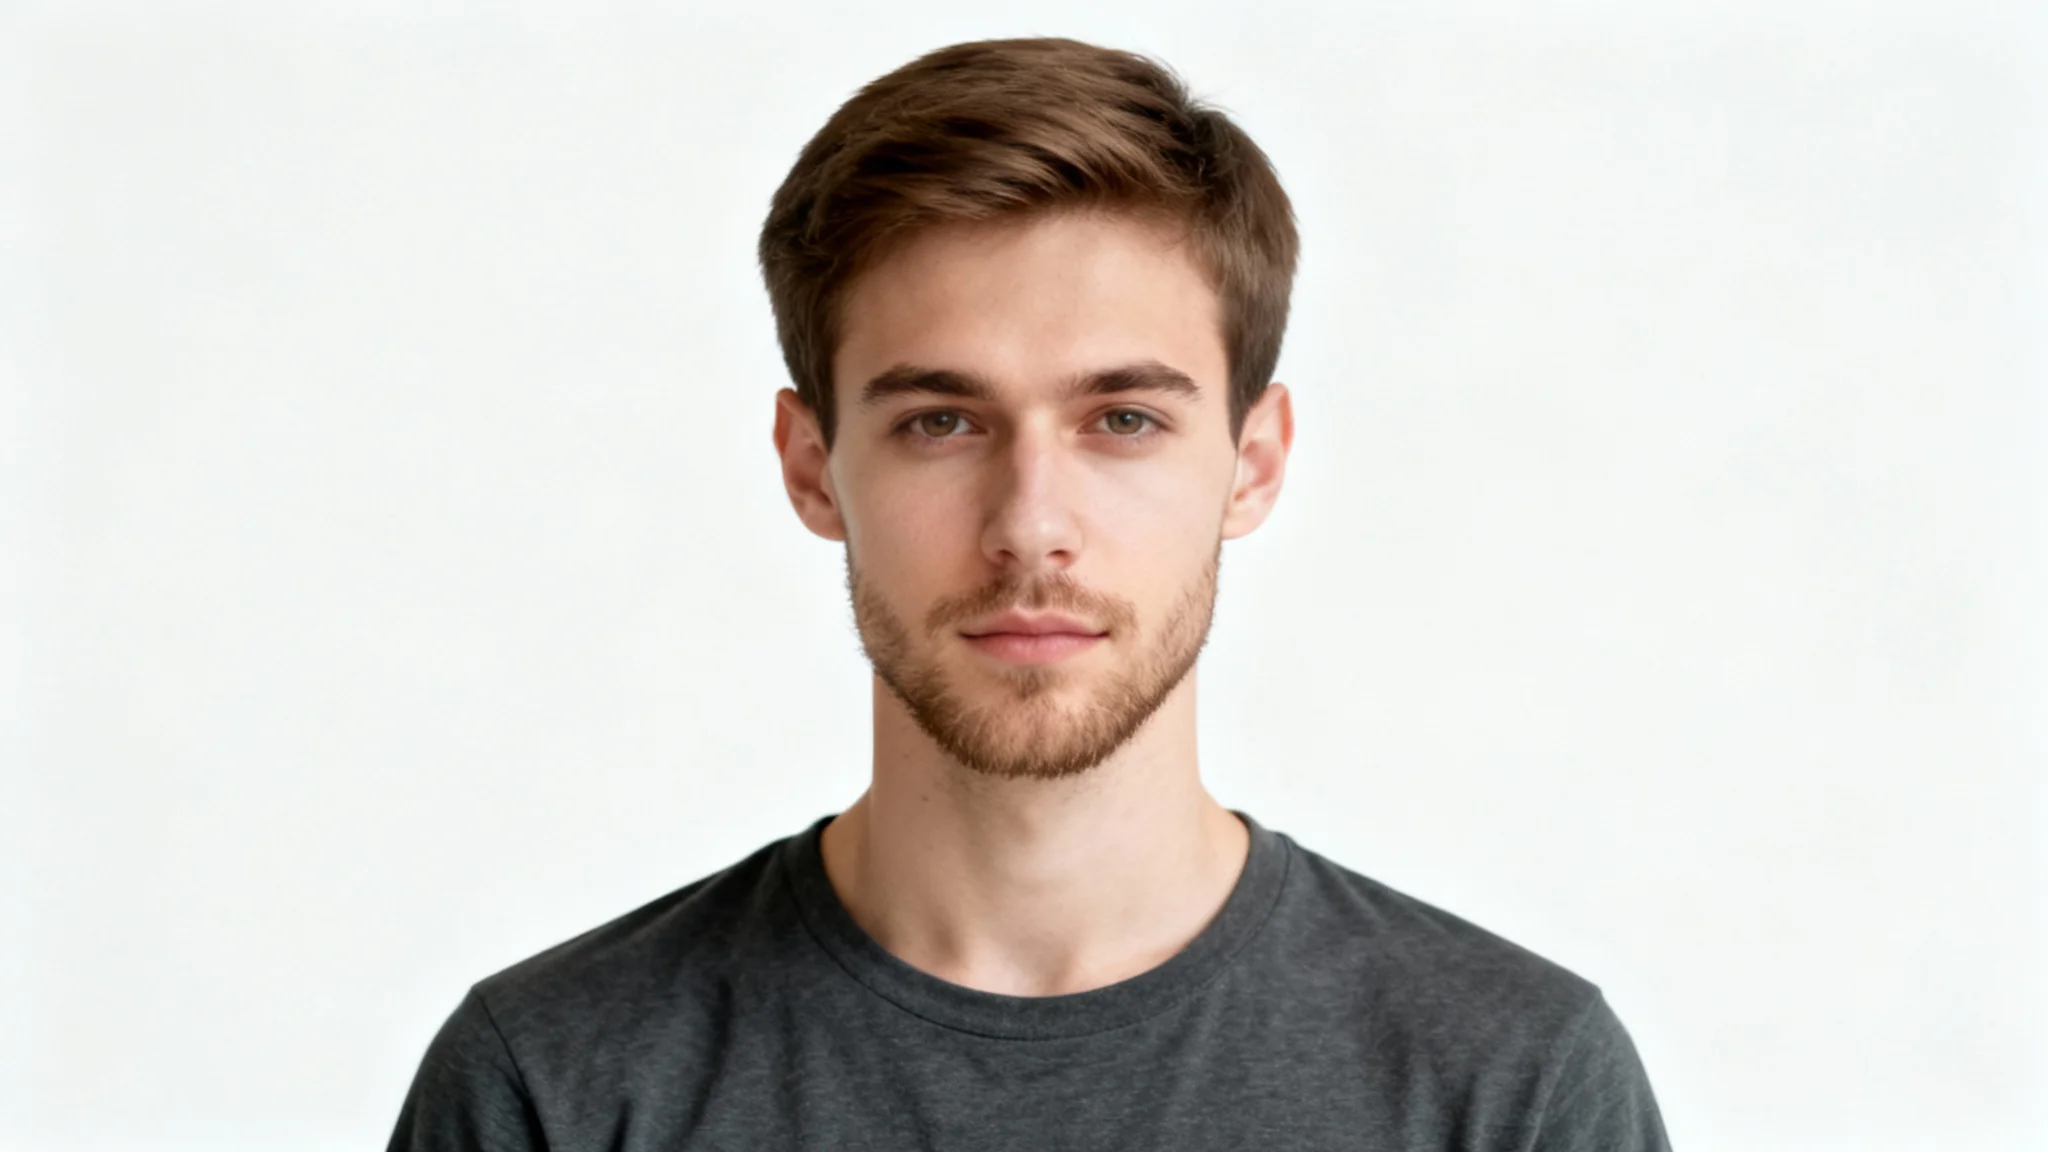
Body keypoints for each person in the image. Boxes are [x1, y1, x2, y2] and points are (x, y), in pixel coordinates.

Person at [388, 37, 1670, 1151]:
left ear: (1252, 463)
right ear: (810, 467)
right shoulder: (555, 1086)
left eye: (1121, 418)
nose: (1030, 527)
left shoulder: (1511, 1087)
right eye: (941, 421)